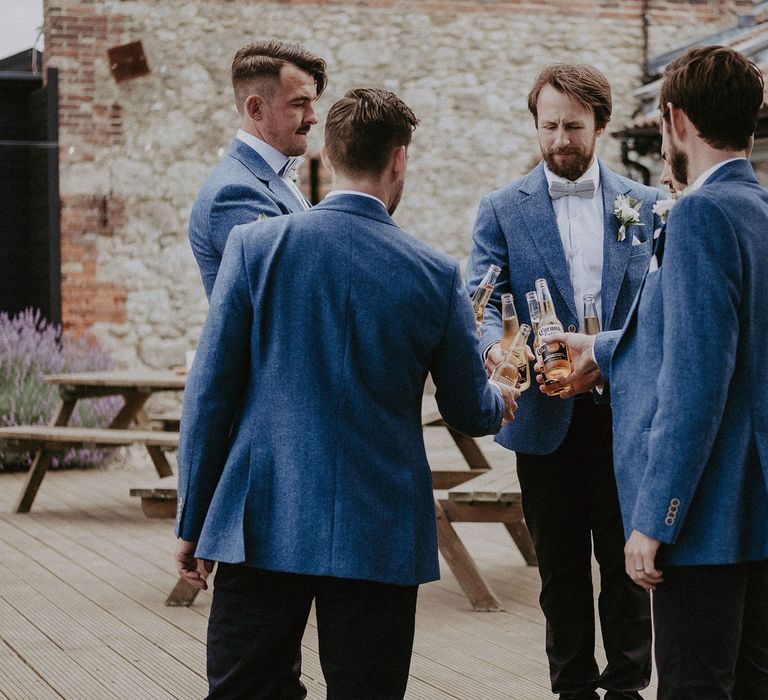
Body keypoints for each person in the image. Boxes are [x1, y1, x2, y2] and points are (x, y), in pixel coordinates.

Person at [174, 87, 519, 700]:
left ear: (329, 157)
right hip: (378, 526)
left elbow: (211, 392)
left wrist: (193, 520)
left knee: (244, 690)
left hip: (262, 516)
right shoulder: (435, 274)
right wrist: (502, 390)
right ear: (399, 160)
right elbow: (469, 408)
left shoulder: (258, 249)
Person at [546, 45, 768, 699]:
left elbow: (695, 382)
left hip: (706, 516)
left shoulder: (701, 215)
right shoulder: (758, 211)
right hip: (757, 512)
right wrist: (604, 349)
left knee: (695, 687)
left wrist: (655, 519)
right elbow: (724, 344)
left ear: (673, 122)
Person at [466, 63, 663, 700]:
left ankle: (629, 685)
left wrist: (609, 356)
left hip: (625, 409)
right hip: (543, 416)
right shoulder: (501, 208)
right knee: (560, 570)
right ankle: (572, 685)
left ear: (600, 125)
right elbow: (482, 298)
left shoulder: (644, 203)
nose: (559, 140)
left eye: (573, 127)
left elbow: (656, 303)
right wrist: (497, 352)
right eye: (548, 126)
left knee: (627, 560)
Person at [188, 40, 328, 298]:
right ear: (256, 109)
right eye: (299, 104)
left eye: (312, 103)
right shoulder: (234, 194)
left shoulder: (275, 175)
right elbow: (297, 293)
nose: (313, 117)